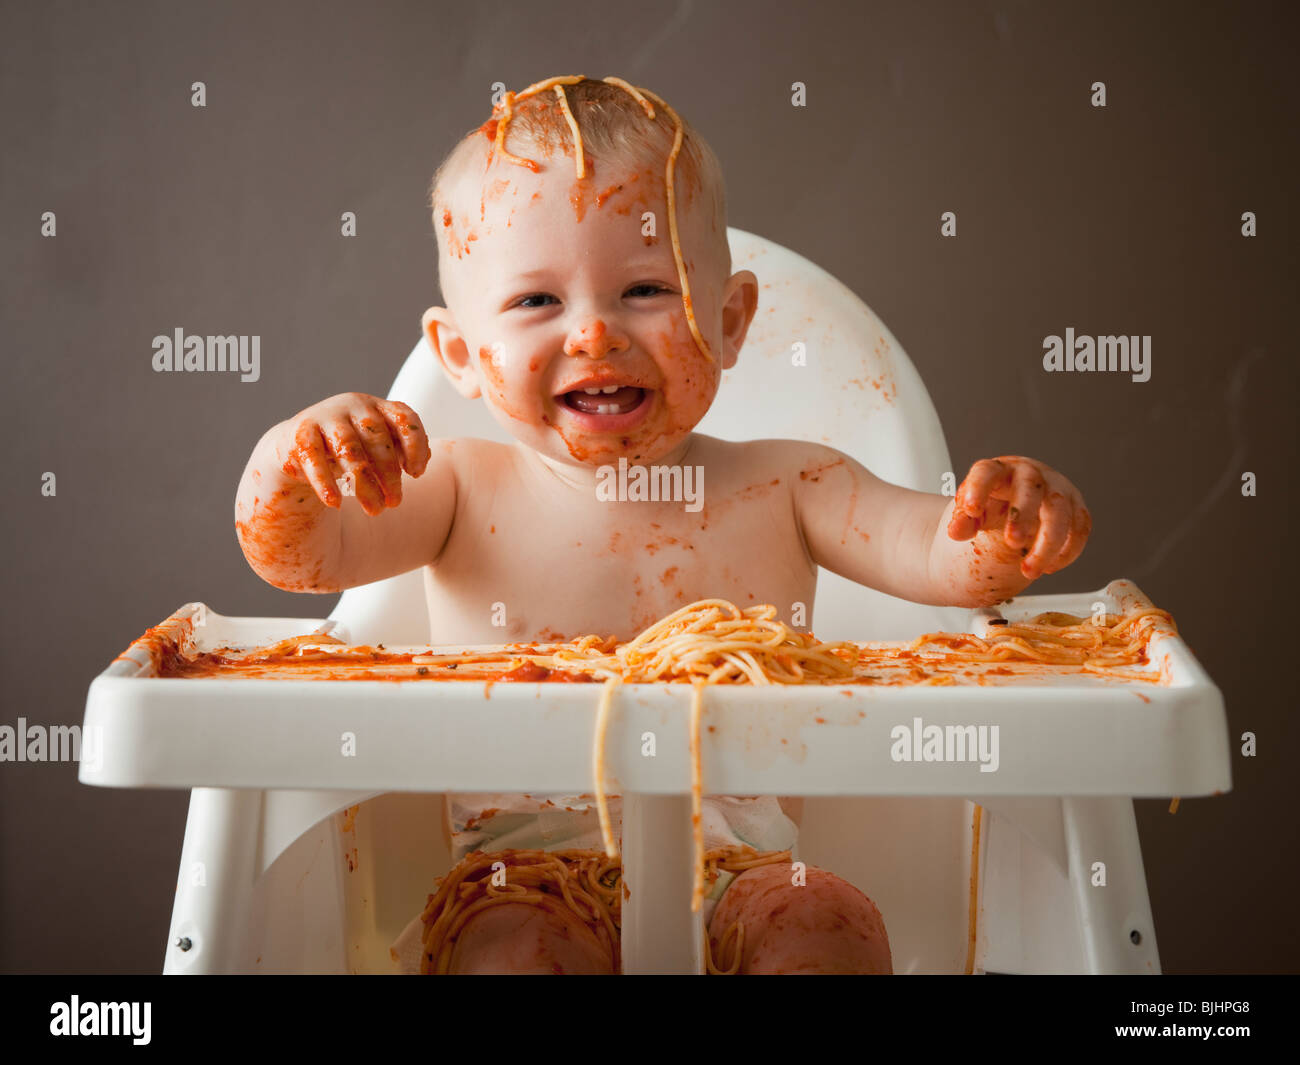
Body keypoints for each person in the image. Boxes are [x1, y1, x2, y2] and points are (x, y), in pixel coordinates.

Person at [234, 76, 1090, 973]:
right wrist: (291, 460)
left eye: (645, 288)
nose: (595, 335)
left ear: (728, 321)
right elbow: (300, 556)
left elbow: (941, 561)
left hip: (745, 866)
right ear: (460, 355)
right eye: (536, 302)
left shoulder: (789, 482)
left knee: (827, 926)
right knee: (512, 954)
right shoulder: (457, 491)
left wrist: (1005, 528)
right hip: (518, 872)